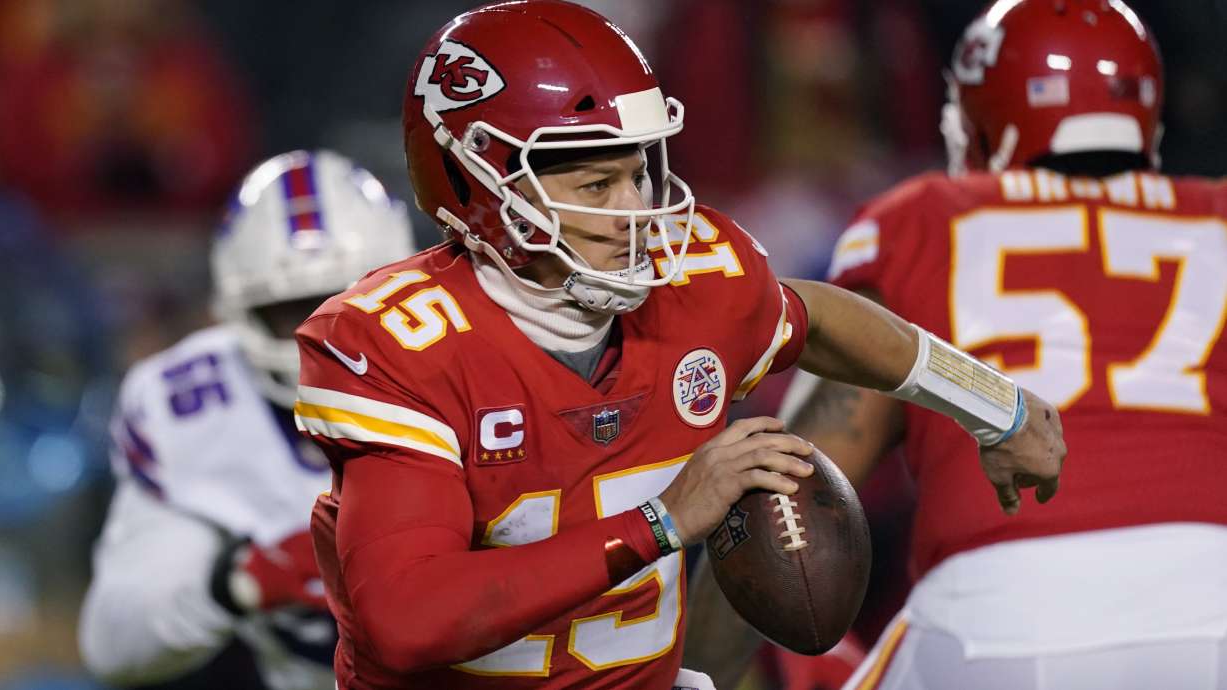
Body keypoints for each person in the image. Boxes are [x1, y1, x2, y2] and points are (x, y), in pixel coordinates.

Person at [293, 2, 1065, 689]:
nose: (640, 217)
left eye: (641, 174)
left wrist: (994, 406)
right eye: (598, 188)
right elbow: (409, 619)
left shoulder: (694, 284)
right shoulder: (401, 343)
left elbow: (818, 318)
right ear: (478, 188)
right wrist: (661, 521)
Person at [686, 1, 1227, 688]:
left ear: (981, 118)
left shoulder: (922, 219)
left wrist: (697, 672)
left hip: (1003, 614)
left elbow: (783, 495)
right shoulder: (1217, 213)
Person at [78, 150, 415, 690]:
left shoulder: (483, 372)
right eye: (290, 311)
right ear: (236, 308)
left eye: (342, 303)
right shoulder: (188, 407)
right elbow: (115, 645)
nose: (319, 335)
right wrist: (239, 583)